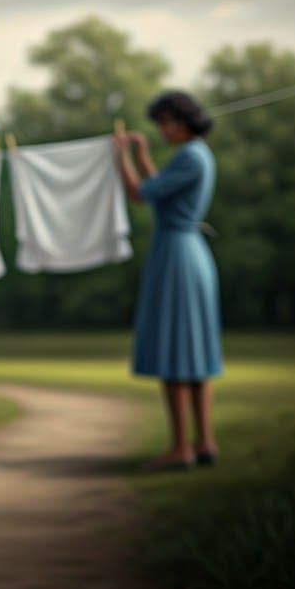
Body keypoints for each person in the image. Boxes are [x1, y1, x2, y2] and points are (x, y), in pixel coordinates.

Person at [114, 90, 222, 471]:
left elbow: (141, 194)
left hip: (177, 255)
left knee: (176, 356)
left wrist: (121, 157)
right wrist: (143, 156)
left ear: (180, 121)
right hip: (188, 251)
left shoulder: (190, 157)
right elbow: (162, 191)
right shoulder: (197, 155)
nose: (162, 131)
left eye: (164, 123)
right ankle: (204, 441)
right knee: (194, 354)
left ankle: (181, 448)